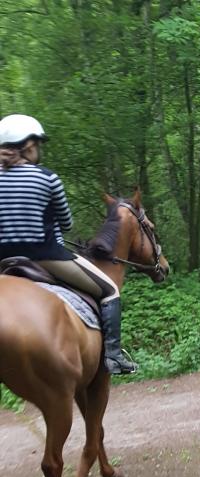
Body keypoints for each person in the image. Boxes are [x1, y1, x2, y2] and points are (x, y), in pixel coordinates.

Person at [0, 113, 136, 373]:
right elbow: (66, 223)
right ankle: (114, 358)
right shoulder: (47, 178)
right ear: (28, 145)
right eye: (38, 144)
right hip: (44, 257)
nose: (38, 149)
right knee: (109, 291)